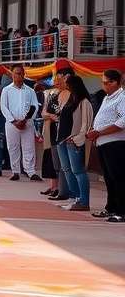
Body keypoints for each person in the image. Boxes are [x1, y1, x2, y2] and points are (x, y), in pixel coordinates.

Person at [88, 69, 125, 222]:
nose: (103, 85)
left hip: (115, 143)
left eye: (105, 82)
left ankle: (122, 211)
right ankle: (111, 208)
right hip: (103, 142)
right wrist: (94, 130)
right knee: (108, 178)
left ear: (115, 82)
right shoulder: (107, 98)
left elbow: (122, 122)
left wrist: (100, 132)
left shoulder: (121, 98)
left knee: (118, 177)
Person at [54, 75, 93, 211]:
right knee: (67, 170)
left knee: (78, 171)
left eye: (67, 83)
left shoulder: (84, 101)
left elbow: (86, 124)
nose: (65, 85)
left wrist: (77, 139)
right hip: (63, 140)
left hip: (73, 141)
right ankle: (75, 198)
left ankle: (83, 201)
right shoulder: (71, 99)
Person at [0, 64, 42, 181]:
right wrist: (14, 121)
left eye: (21, 73)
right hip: (12, 123)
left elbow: (35, 106)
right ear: (12, 74)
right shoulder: (6, 90)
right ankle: (15, 171)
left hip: (27, 123)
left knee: (29, 147)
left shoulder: (30, 91)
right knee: (13, 147)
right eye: (16, 73)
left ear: (24, 74)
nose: (19, 75)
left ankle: (30, 171)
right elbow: (3, 107)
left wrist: (26, 120)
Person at [40, 69, 72, 200]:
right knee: (56, 163)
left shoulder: (72, 95)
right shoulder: (53, 95)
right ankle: (58, 188)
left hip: (66, 133)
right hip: (53, 131)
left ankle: (65, 190)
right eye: (56, 80)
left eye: (60, 80)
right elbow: (44, 113)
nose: (57, 82)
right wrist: (51, 116)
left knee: (66, 164)